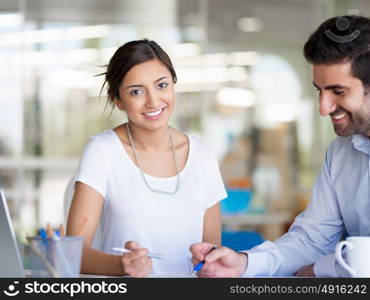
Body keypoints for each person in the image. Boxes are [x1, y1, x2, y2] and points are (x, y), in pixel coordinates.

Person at [190, 15, 370, 278]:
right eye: (319, 90)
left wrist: (317, 270)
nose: (323, 107)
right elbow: (311, 239)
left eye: (338, 92)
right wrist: (243, 264)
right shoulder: (341, 151)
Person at [67, 39, 227, 277]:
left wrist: (209, 263)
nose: (153, 101)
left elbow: (212, 255)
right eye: (136, 92)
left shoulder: (203, 155)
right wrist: (123, 265)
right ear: (117, 99)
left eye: (162, 85)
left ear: (173, 84)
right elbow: (72, 252)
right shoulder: (103, 151)